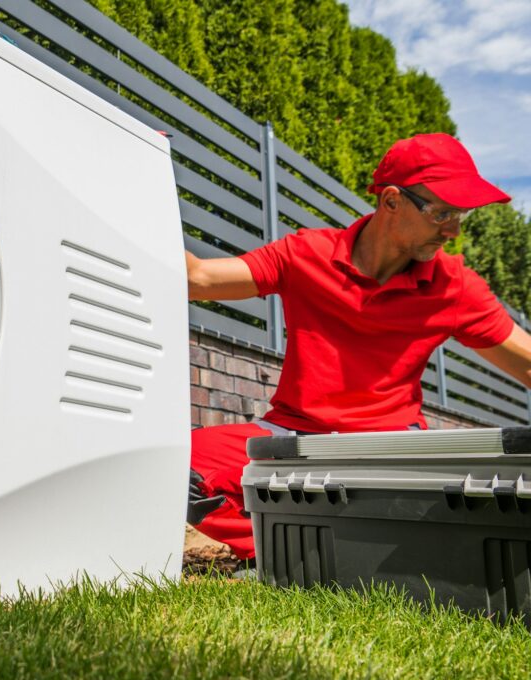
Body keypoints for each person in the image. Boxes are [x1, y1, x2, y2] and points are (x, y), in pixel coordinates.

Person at [185, 133, 531, 560]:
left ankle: (306, 547)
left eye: (461, 215)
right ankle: (294, 551)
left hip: (389, 448)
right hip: (293, 438)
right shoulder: (304, 255)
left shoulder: (454, 286)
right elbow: (197, 280)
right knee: (179, 466)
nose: (454, 231)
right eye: (442, 213)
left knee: (456, 504)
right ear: (391, 201)